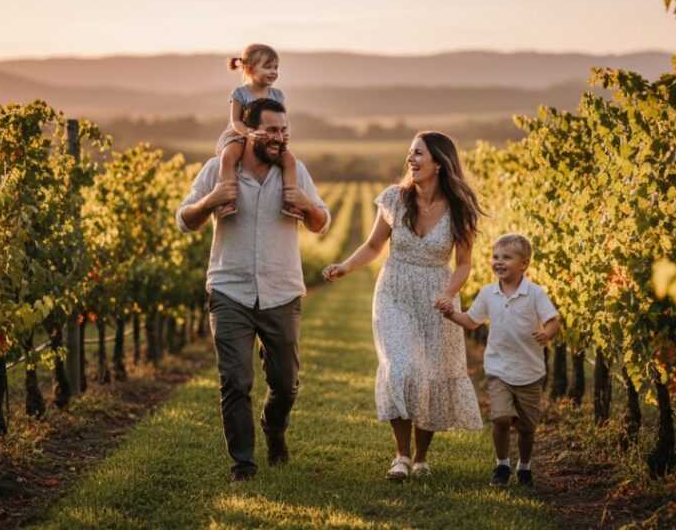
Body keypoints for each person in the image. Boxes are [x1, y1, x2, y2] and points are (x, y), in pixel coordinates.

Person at [176, 98, 331, 483]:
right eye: (272, 131)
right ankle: (243, 465)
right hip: (230, 290)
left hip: (282, 290)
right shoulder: (217, 169)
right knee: (235, 380)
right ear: (249, 132)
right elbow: (184, 219)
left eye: (284, 130)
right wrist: (212, 200)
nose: (281, 138)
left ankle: (273, 427)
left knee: (285, 383)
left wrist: (306, 205)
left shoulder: (295, 173)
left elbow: (321, 223)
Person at [322, 131, 484, 480]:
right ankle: (401, 455)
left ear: (439, 163)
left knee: (431, 375)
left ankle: (422, 457)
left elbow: (465, 264)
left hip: (437, 298)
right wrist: (345, 267)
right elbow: (372, 245)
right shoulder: (395, 199)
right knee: (402, 367)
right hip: (394, 291)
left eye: (418, 154)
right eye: (409, 153)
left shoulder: (460, 208)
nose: (410, 159)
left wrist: (449, 294)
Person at [438, 233, 560, 488]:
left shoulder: (534, 293)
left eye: (507, 257)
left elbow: (553, 320)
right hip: (498, 369)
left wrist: (547, 333)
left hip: (529, 371)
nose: (499, 262)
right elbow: (472, 321)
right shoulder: (488, 293)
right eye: (495, 257)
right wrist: (451, 315)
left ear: (524, 264)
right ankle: (502, 464)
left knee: (527, 428)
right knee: (501, 419)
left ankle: (524, 467)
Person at [216, 43, 302, 219]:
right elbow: (235, 121)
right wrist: (248, 133)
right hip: (240, 135)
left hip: (270, 138)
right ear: (248, 70)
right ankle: (227, 200)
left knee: (290, 161)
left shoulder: (277, 95)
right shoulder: (240, 93)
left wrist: (285, 134)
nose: (273, 72)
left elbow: (285, 121)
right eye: (267, 67)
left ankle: (291, 203)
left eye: (276, 67)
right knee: (228, 156)